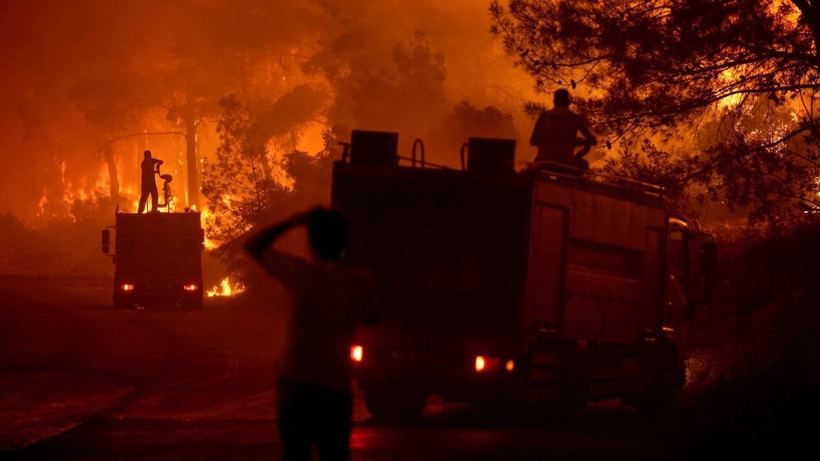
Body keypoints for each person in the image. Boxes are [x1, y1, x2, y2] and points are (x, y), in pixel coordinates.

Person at [244, 207, 381, 461]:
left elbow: (253, 245)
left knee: (296, 454)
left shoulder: (299, 273)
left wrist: (293, 221)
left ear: (311, 243)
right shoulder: (361, 281)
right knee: (335, 453)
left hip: (296, 383)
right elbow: (372, 319)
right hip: (335, 387)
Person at [529, 88, 597, 170]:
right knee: (583, 164)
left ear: (554, 102)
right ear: (569, 102)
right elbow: (592, 141)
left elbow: (533, 141)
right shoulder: (575, 118)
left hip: (542, 162)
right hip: (565, 163)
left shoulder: (544, 116)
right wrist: (579, 141)